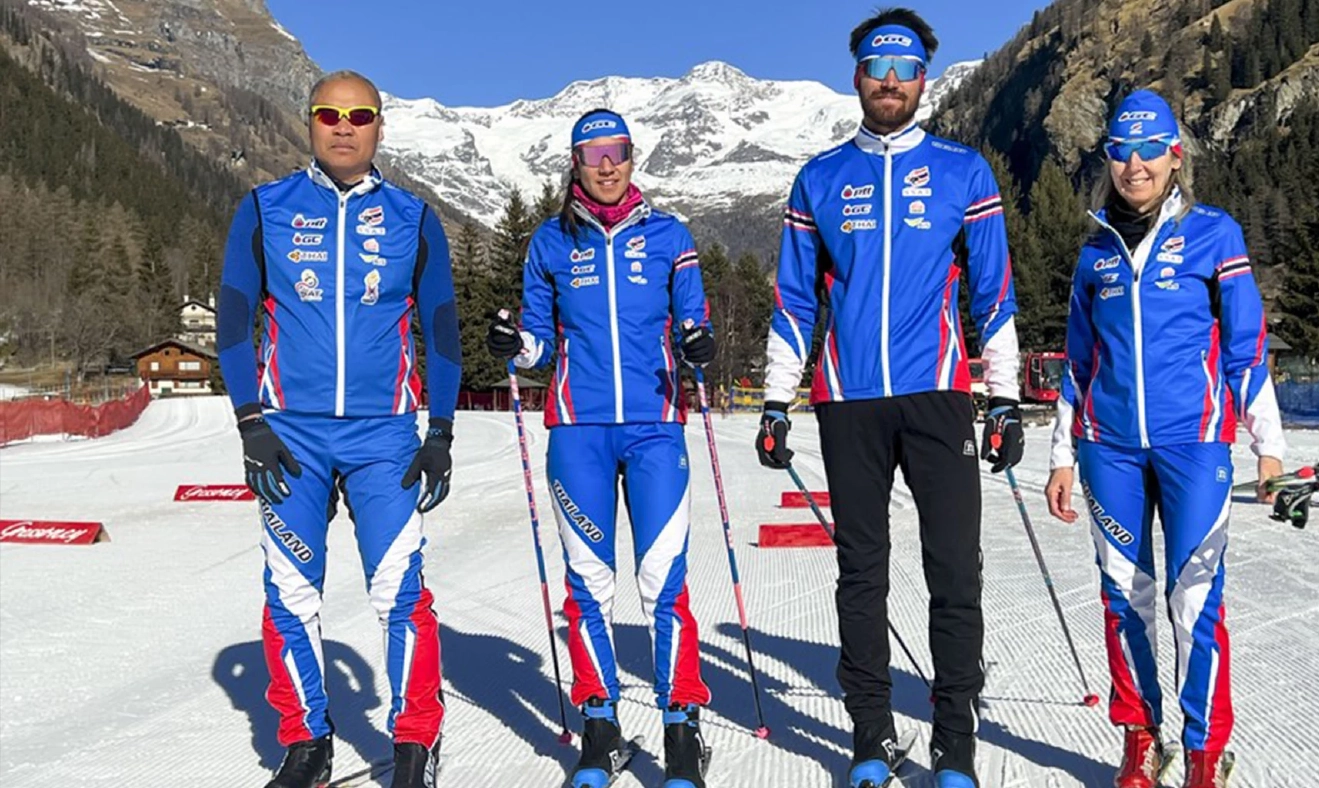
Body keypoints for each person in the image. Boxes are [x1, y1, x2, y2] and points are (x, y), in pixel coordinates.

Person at [755, 8, 1022, 787]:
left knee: (954, 571)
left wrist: (1002, 397)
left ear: (924, 82)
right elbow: (794, 301)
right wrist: (777, 400)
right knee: (861, 572)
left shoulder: (963, 170)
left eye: (905, 70)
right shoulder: (820, 177)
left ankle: (954, 739)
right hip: (849, 401)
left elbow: (993, 292)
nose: (891, 81)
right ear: (858, 78)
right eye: (878, 68)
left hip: (939, 395)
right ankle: (870, 737)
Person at [216, 70, 461, 788]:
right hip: (289, 435)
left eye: (360, 115)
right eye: (329, 113)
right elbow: (233, 322)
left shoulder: (415, 217)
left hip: (384, 436)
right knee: (290, 594)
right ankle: (307, 742)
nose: (344, 126)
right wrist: (248, 422)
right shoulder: (264, 208)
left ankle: (415, 742)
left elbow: (442, 332)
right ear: (309, 122)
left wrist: (439, 432)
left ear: (380, 126)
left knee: (400, 594)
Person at [1043, 89, 1286, 788]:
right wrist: (1063, 455)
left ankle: (1204, 751)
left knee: (1194, 599)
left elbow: (1245, 348)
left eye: (1151, 149)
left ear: (1175, 156)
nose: (1136, 164)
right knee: (1124, 596)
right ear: (1109, 160)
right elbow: (1079, 365)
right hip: (1107, 447)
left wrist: (1267, 445)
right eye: (1123, 151)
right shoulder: (1096, 254)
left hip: (1194, 445)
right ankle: (1140, 736)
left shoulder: (1215, 234)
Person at [486, 108, 716, 788]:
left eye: (616, 151)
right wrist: (515, 347)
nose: (606, 164)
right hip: (578, 430)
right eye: (593, 154)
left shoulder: (671, 235)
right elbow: (537, 340)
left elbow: (693, 323)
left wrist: (698, 345)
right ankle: (600, 725)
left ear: (633, 157)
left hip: (654, 427)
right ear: (576, 164)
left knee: (662, 583)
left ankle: (682, 728)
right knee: (588, 584)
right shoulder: (551, 243)